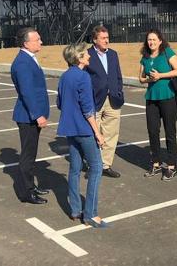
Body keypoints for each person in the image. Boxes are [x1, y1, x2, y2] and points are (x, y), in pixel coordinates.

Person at [57, 42, 109, 228]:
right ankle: (91, 214)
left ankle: (75, 210)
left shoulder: (64, 77)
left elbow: (60, 103)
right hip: (84, 130)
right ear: (78, 58)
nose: (89, 56)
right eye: (86, 54)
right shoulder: (83, 77)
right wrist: (98, 133)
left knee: (74, 170)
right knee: (96, 168)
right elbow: (88, 110)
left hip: (69, 129)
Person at [11, 28, 50, 205]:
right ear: (26, 43)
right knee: (27, 156)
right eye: (38, 39)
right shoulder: (22, 63)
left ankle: (31, 186)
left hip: (31, 116)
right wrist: (38, 115)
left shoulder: (29, 59)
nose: (41, 42)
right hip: (28, 117)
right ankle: (26, 192)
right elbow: (27, 92)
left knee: (31, 154)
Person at [139, 29, 177, 181]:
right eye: (149, 40)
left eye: (154, 39)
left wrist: (160, 76)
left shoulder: (167, 52)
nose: (151, 42)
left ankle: (171, 166)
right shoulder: (145, 57)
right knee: (152, 131)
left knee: (170, 132)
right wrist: (148, 80)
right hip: (151, 98)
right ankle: (156, 163)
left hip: (168, 97)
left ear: (160, 41)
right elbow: (140, 78)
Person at [84, 25, 124, 178]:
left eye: (107, 38)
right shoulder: (87, 55)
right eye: (103, 38)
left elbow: (118, 76)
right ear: (94, 40)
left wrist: (118, 90)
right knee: (94, 134)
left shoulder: (113, 54)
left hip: (113, 100)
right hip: (95, 100)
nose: (107, 41)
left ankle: (105, 165)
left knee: (111, 134)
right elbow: (84, 78)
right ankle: (93, 165)